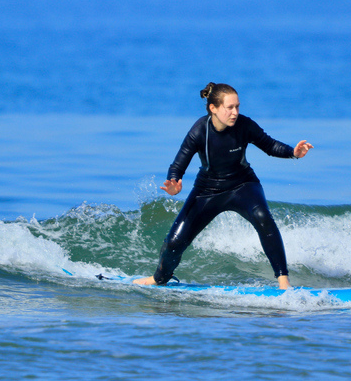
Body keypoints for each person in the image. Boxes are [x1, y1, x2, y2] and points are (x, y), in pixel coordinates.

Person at [134, 83, 313, 290]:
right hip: (207, 190)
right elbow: (178, 165)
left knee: (263, 217)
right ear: (213, 108)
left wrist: (293, 152)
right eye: (230, 107)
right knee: (174, 242)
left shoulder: (244, 125)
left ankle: (283, 281)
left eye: (237, 106)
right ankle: (159, 278)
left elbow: (269, 145)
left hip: (243, 185)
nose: (235, 112)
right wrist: (174, 182)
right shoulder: (199, 130)